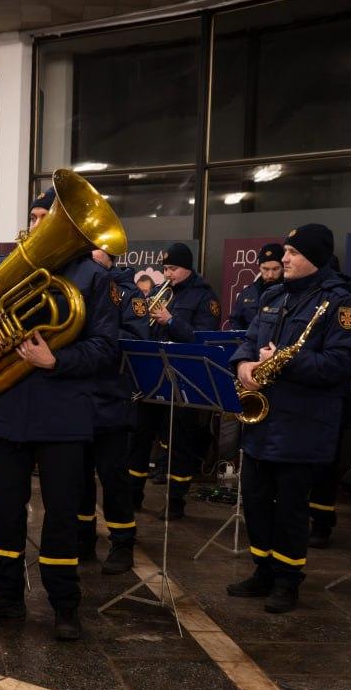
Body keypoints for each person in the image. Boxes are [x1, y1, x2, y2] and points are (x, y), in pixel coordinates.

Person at [0, 188, 118, 641]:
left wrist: (56, 361)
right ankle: (6, 594)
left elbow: (107, 349)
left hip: (63, 414)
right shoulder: (6, 268)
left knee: (63, 513)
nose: (37, 224)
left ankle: (65, 603)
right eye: (34, 215)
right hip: (8, 409)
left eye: (47, 217)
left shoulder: (91, 277)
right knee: (7, 510)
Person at [225, 223, 351, 614]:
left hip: (303, 423)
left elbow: (341, 364)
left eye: (293, 253)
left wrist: (286, 361)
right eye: (285, 252)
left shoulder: (341, 304)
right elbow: (247, 341)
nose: (283, 259)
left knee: (290, 507)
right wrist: (245, 364)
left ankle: (288, 580)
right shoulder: (273, 295)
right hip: (262, 421)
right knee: (254, 500)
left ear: (314, 258)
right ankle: (263, 570)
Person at [126, 242, 220, 520]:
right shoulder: (158, 291)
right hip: (153, 375)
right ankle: (133, 494)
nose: (168, 274)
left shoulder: (205, 297)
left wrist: (170, 320)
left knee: (180, 441)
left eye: (173, 269)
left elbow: (203, 338)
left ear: (188, 268)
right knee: (140, 436)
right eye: (165, 268)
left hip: (182, 378)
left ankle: (177, 501)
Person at [77, 250, 149, 575]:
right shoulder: (77, 282)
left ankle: (122, 543)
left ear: (109, 256)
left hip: (110, 396)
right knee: (78, 476)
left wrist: (96, 333)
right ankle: (83, 539)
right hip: (77, 393)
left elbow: (137, 338)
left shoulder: (128, 292)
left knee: (113, 476)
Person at [227, 243, 284, 330]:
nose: (270, 275)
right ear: (259, 267)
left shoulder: (291, 292)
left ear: (283, 267)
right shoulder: (247, 293)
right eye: (265, 269)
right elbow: (235, 321)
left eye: (275, 269)